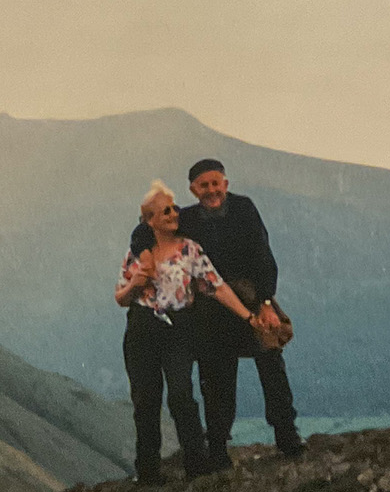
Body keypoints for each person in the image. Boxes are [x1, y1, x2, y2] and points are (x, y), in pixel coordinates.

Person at [130, 158, 303, 469]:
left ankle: (286, 433)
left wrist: (265, 302)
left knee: (270, 358)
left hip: (249, 297)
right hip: (211, 305)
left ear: (226, 184)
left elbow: (263, 254)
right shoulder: (187, 218)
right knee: (216, 372)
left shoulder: (245, 209)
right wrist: (144, 253)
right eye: (203, 185)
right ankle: (219, 445)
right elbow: (145, 229)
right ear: (193, 190)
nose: (211, 190)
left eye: (216, 183)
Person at [115, 180, 257, 485]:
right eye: (165, 211)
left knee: (181, 394)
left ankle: (196, 462)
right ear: (150, 221)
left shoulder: (189, 249)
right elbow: (120, 297)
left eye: (174, 207)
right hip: (142, 327)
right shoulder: (137, 253)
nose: (173, 213)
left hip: (178, 328)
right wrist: (135, 283)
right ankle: (149, 472)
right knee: (145, 400)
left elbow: (215, 285)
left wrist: (248, 316)